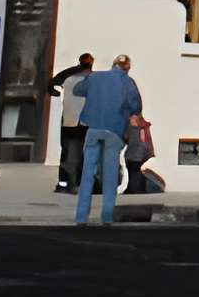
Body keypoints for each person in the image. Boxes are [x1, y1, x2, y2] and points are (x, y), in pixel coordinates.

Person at [73, 51, 142, 226]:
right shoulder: (128, 82)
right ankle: (107, 217)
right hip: (114, 131)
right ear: (127, 68)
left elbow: (77, 89)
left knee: (87, 173)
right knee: (110, 175)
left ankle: (81, 217)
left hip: (93, 128)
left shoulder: (95, 77)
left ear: (113, 64)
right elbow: (136, 105)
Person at [48, 53, 95, 194]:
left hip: (68, 120)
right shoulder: (93, 79)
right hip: (85, 122)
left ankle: (64, 183)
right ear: (91, 64)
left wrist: (55, 93)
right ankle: (78, 183)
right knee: (83, 154)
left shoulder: (68, 78)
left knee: (67, 152)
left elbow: (52, 83)